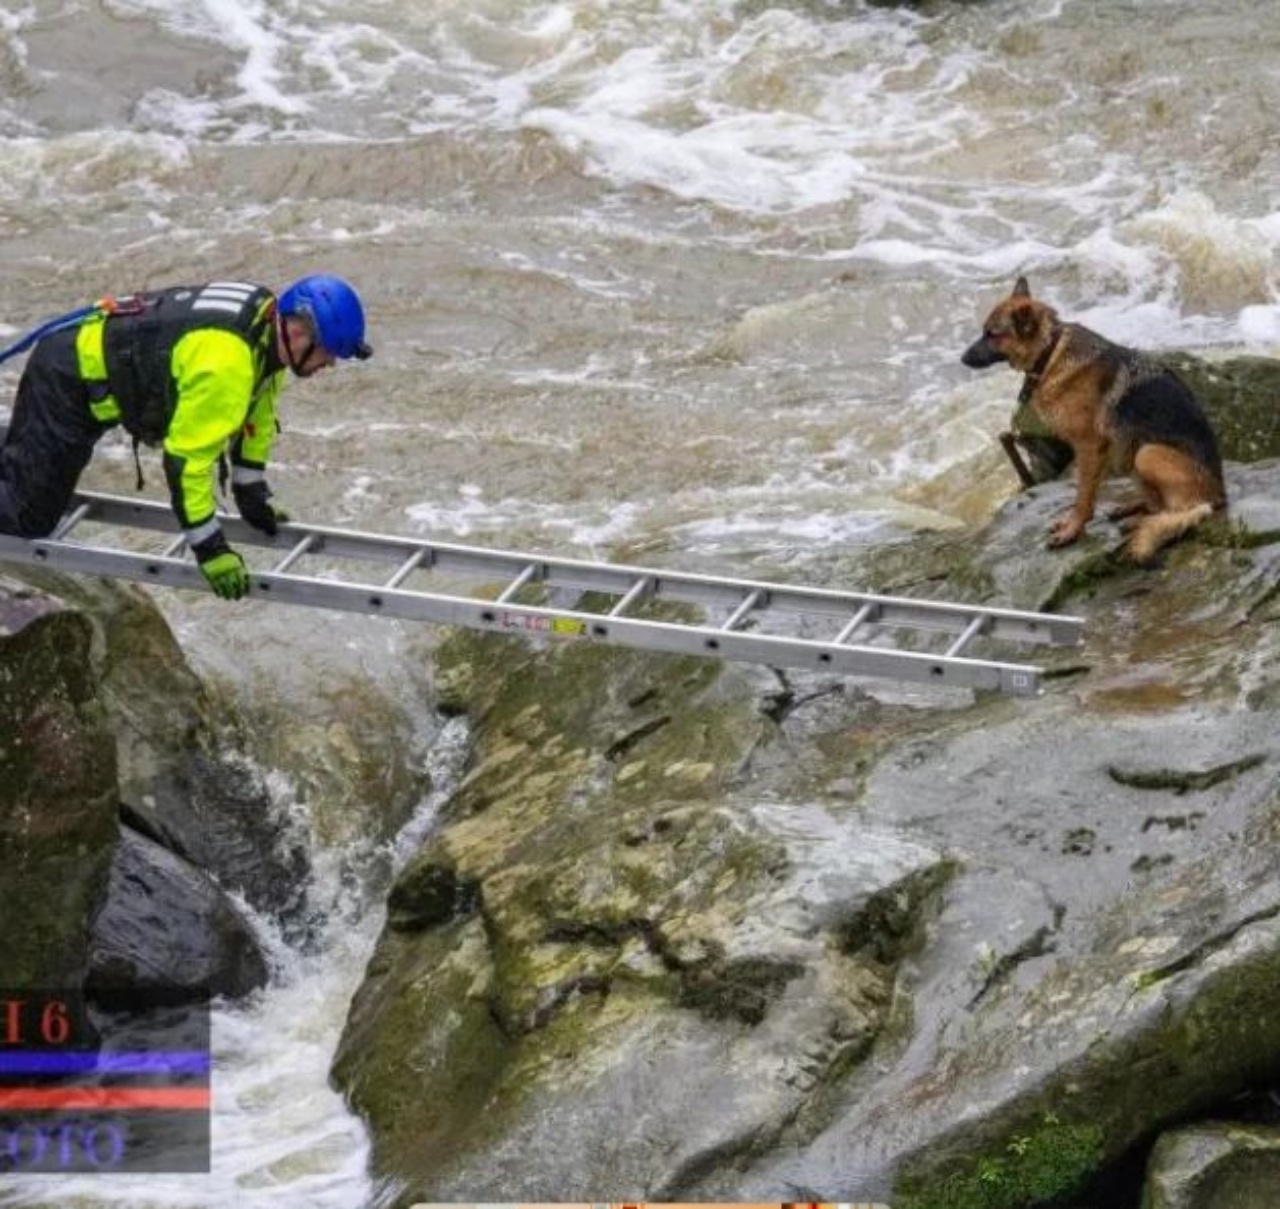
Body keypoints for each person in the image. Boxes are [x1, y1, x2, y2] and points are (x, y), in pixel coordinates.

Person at [0, 274, 371, 600]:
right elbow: (185, 463)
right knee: (27, 517)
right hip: (69, 381)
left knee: (32, 473)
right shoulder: (227, 363)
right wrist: (210, 549)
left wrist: (251, 493)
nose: (330, 364)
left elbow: (257, 412)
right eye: (327, 352)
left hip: (92, 366)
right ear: (296, 330)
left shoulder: (265, 322)